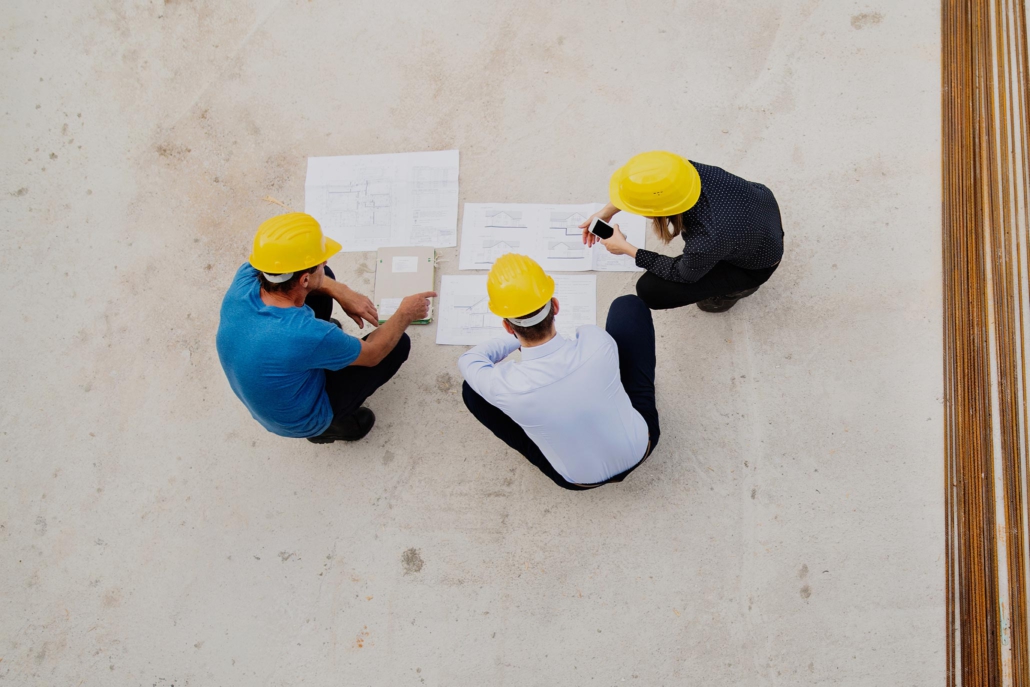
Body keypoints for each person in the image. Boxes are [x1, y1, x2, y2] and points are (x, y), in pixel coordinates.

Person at [216, 212, 435, 444]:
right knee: (397, 345)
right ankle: (328, 428)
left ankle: (314, 359)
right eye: (320, 262)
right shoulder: (307, 334)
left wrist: (342, 291)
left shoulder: (247, 276)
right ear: (303, 280)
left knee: (326, 280)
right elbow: (373, 355)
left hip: (266, 380)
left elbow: (313, 281)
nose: (326, 262)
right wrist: (405, 313)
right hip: (297, 419)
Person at [458, 254, 659, 490]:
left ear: (506, 325)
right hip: (641, 447)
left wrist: (520, 335)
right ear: (555, 306)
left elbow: (470, 360)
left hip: (579, 481)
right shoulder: (595, 341)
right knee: (627, 306)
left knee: (471, 391)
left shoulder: (504, 386)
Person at [581, 151, 784, 312]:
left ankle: (736, 291)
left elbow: (683, 274)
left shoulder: (707, 239)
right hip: (760, 208)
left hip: (755, 264)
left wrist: (626, 248)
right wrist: (606, 212)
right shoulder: (680, 170)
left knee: (650, 290)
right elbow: (647, 187)